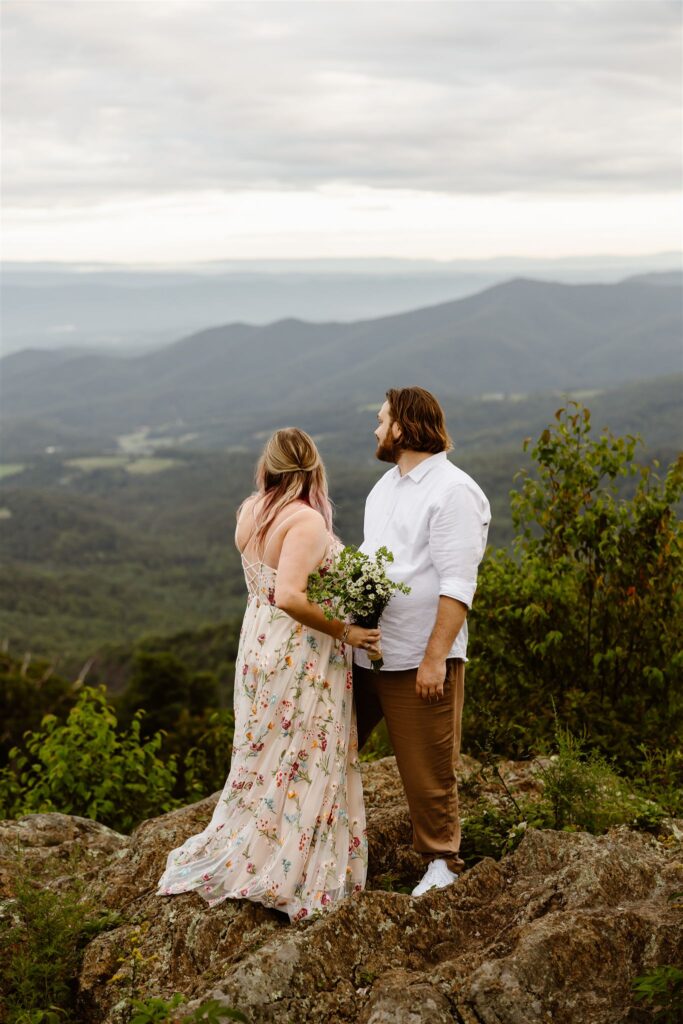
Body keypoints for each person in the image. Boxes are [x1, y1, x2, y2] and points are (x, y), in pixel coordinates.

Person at [156, 428, 381, 922]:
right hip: (300, 652)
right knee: (304, 751)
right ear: (314, 467)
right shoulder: (305, 523)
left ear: (269, 466)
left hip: (258, 642)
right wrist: (348, 630)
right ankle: (291, 865)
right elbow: (292, 596)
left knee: (267, 750)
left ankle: (266, 837)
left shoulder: (251, 510)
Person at [353, 387, 490, 897]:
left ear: (405, 429)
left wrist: (435, 659)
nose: (374, 429)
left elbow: (458, 583)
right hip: (366, 651)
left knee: (427, 767)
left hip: (418, 656)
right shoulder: (384, 488)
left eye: (381, 419)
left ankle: (440, 862)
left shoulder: (453, 491)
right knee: (332, 745)